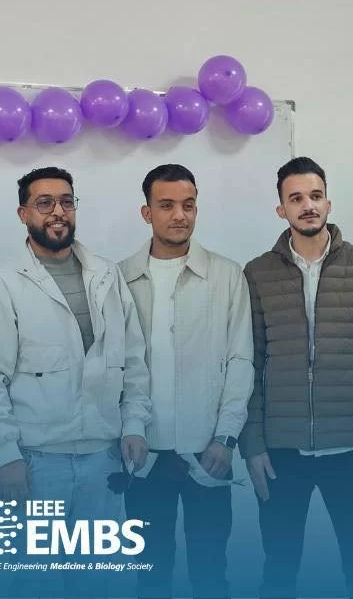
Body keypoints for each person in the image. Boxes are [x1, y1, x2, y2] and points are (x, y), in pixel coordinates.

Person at [0, 166, 150, 595]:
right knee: (34, 582)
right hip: (36, 463)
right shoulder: (4, 283)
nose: (58, 211)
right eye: (44, 203)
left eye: (66, 202)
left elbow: (133, 359)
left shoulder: (106, 275)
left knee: (101, 583)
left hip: (103, 458)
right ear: (23, 214)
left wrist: (135, 425)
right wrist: (6, 456)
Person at [241, 156, 353, 599]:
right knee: (278, 570)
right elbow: (247, 362)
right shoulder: (257, 273)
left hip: (351, 449)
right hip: (280, 450)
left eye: (315, 196)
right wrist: (253, 445)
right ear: (281, 209)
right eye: (296, 198)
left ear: (328, 202)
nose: (307, 205)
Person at [119, 164, 253, 598]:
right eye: (167, 205)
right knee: (150, 577)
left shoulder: (227, 275)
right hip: (144, 456)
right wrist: (131, 429)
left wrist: (226, 438)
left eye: (188, 205)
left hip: (208, 451)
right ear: (146, 213)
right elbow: (116, 367)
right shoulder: (118, 278)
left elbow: (240, 361)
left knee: (211, 575)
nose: (180, 215)